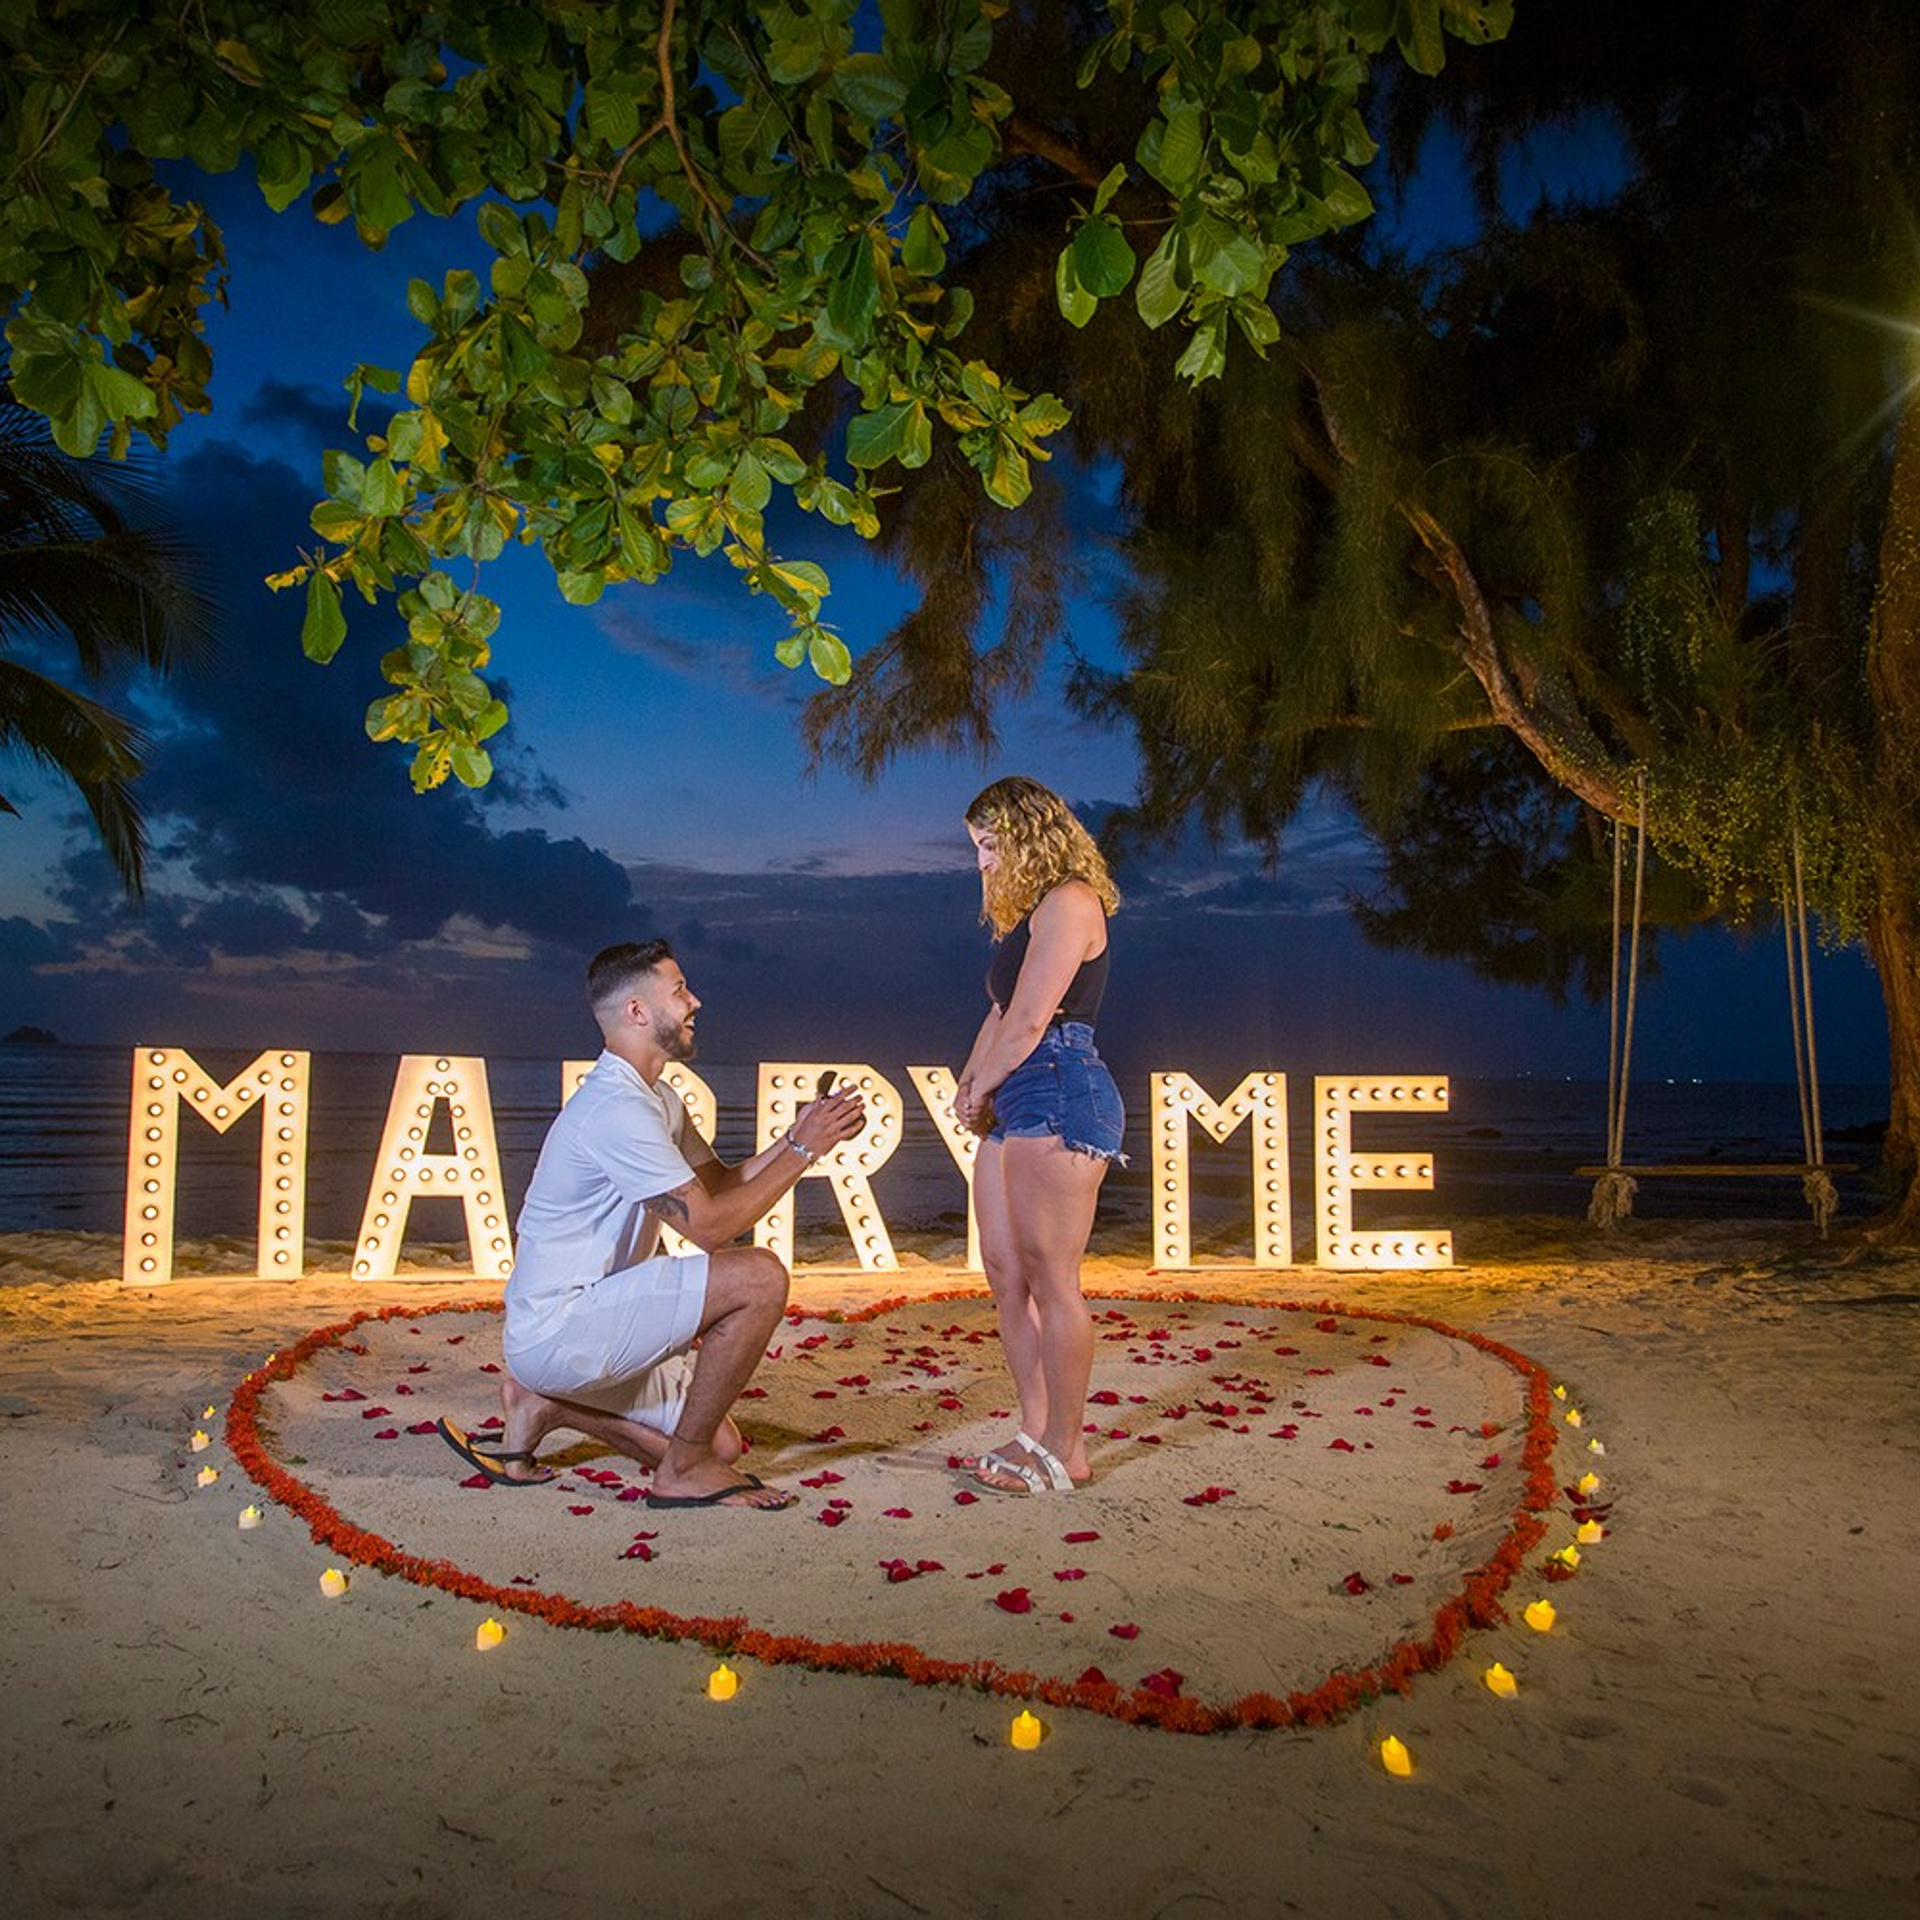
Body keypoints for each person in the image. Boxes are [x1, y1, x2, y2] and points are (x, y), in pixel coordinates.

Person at [438, 939, 865, 1510]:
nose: (696, 1002)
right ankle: (682, 1471)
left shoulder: (657, 1098)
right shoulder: (616, 1109)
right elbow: (711, 1229)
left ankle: (548, 1406)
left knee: (723, 1443)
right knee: (760, 1277)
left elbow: (715, 1189)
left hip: (594, 1318)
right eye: (680, 990)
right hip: (562, 1327)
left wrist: (802, 1135)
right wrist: (804, 1153)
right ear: (637, 1012)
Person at [952, 777, 1124, 1494]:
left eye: (991, 845)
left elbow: (1030, 1025)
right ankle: (1034, 1427)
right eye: (978, 850)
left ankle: (1066, 1448)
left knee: (1053, 1280)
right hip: (1014, 1089)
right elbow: (1000, 1016)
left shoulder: (1071, 901)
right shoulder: (1027, 916)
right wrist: (969, 1084)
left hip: (1059, 1085)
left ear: (1028, 833)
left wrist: (984, 1084)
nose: (984, 863)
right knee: (1005, 1274)